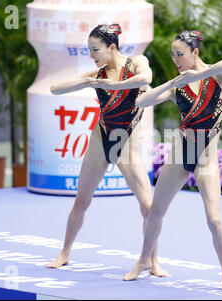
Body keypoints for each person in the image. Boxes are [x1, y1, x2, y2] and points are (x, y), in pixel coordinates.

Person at [47, 24, 168, 278]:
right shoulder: (98, 74)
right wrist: (87, 82)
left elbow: (146, 79)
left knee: (148, 206)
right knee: (82, 200)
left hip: (127, 140)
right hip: (101, 137)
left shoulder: (136, 63)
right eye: (89, 50)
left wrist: (113, 86)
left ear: (112, 47)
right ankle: (65, 252)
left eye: (95, 50)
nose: (92, 55)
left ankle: (151, 261)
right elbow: (55, 89)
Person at [123, 30, 222, 292]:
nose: (176, 59)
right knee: (155, 210)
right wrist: (170, 84)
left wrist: (199, 73)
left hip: (206, 158)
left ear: (195, 52)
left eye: (180, 55)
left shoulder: (218, 76)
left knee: (214, 220)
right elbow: (143, 100)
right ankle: (143, 261)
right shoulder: (180, 84)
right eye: (173, 55)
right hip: (180, 152)